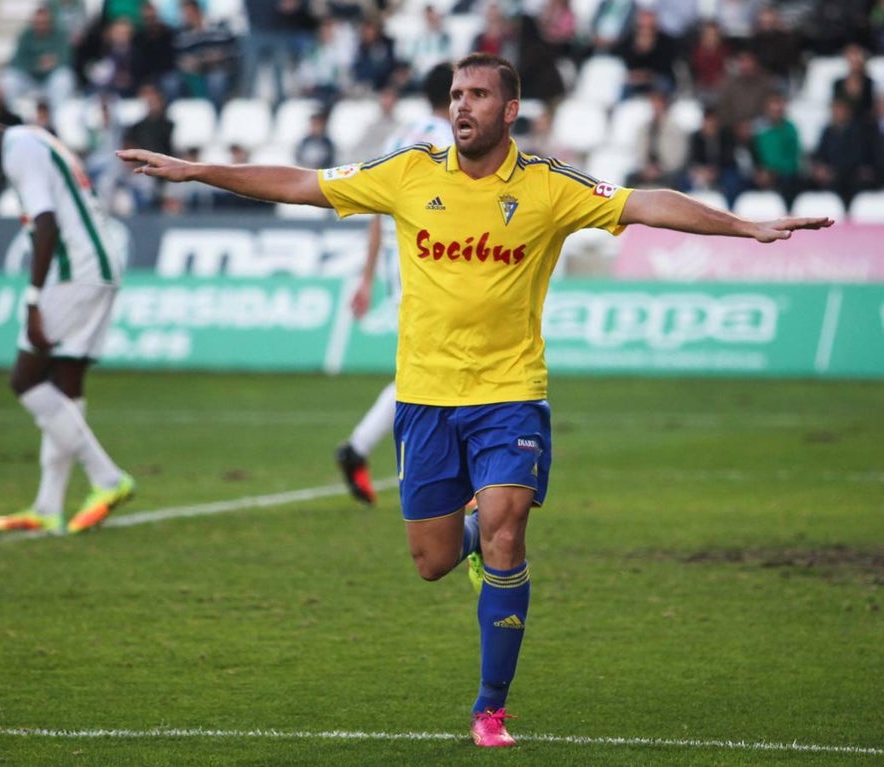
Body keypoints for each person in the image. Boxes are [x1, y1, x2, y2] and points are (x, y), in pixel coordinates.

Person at [116, 52, 832, 748]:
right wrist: (197, 169)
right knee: (432, 560)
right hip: (425, 398)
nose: (463, 106)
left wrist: (744, 226)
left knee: (507, 533)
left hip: (510, 395)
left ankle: (490, 706)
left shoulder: (548, 185)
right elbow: (302, 182)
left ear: (510, 110)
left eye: (479, 95)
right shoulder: (409, 172)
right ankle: (469, 538)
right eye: (457, 95)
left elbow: (643, 203)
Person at [0, 106, 136, 535]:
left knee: (26, 379)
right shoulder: (35, 140)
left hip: (75, 270)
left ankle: (108, 479)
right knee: (66, 383)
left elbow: (45, 223)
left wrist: (33, 300)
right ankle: (48, 507)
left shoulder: (19, 149)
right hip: (98, 265)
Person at [335, 61, 454, 506]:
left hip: (395, 263)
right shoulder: (448, 142)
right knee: (437, 365)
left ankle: (358, 447)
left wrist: (367, 278)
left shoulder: (399, 137)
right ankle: (447, 470)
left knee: (429, 365)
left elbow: (376, 208)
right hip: (429, 263)